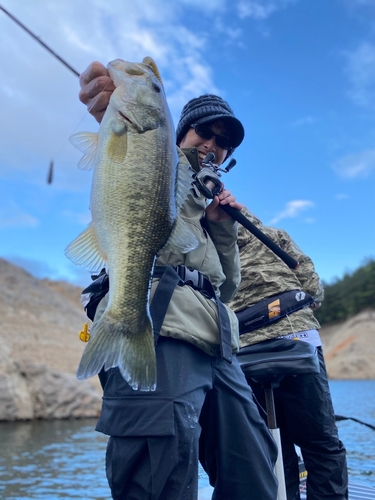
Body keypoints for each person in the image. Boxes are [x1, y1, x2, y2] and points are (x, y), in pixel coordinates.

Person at [78, 61, 278, 500]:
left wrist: (222, 226)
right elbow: (138, 162)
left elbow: (227, 289)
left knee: (257, 474)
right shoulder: (165, 163)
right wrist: (111, 113)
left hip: (218, 347)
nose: (212, 145)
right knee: (158, 479)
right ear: (179, 133)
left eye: (223, 142)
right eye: (203, 132)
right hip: (162, 329)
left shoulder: (212, 204)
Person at [226, 206, 349, 500]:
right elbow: (313, 289)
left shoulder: (211, 245)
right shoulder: (276, 236)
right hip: (297, 338)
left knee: (273, 447)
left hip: (244, 352)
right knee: (321, 443)